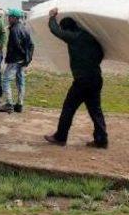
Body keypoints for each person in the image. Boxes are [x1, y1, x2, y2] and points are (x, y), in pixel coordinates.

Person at [44, 8, 108, 148]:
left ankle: (60, 137)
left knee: (68, 108)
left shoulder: (74, 37)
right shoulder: (89, 36)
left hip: (82, 81)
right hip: (96, 78)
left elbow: (56, 31)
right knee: (95, 110)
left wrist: (52, 17)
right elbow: (101, 54)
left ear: (67, 28)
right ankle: (101, 140)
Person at [0, 9, 34, 113]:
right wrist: (27, 58)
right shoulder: (24, 28)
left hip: (15, 60)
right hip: (21, 60)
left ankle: (9, 104)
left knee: (6, 80)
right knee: (20, 81)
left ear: (15, 18)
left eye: (10, 16)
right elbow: (31, 45)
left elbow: (17, 45)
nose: (8, 18)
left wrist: (21, 56)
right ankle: (20, 104)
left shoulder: (14, 30)